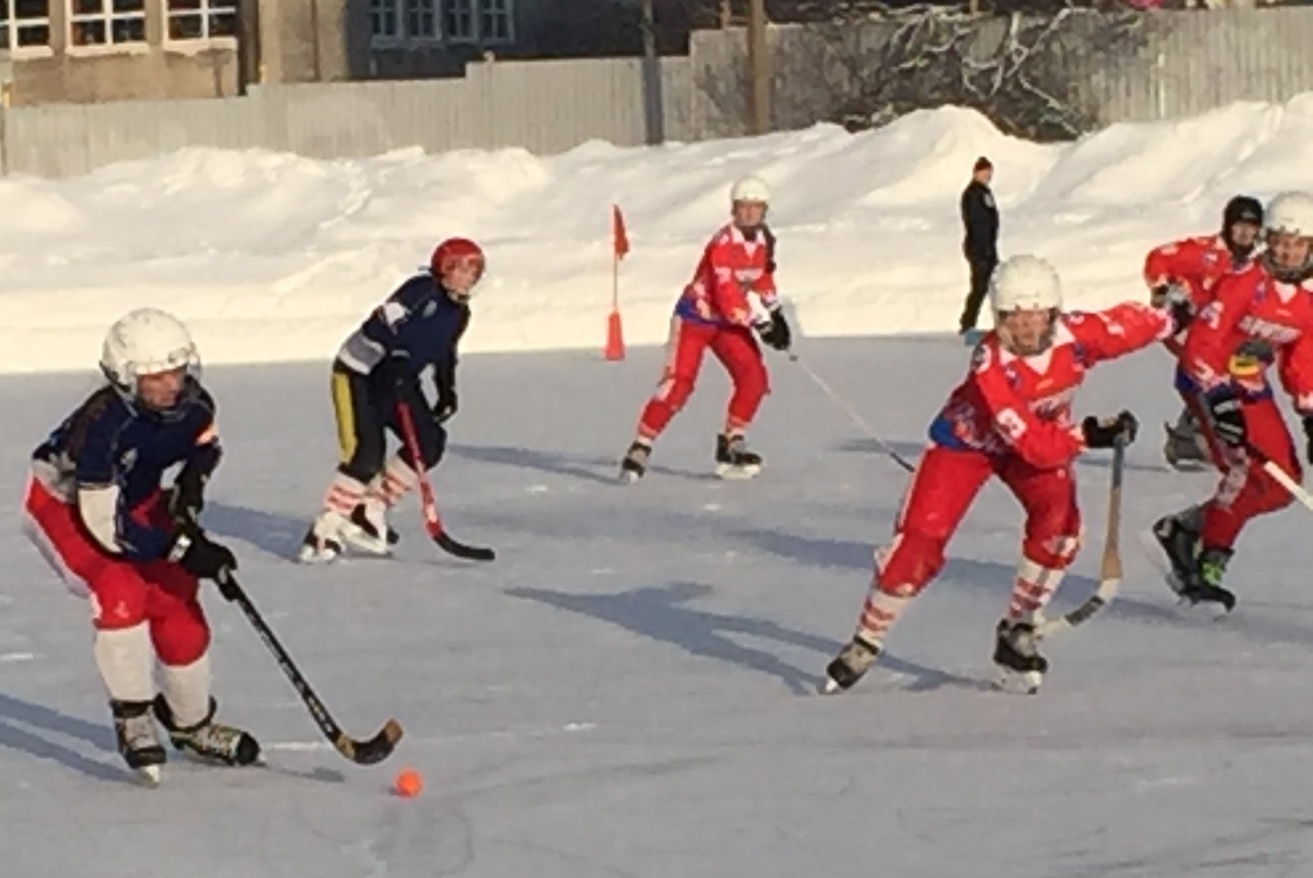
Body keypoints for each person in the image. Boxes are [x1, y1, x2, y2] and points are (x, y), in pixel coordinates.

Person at [823, 255, 1177, 695]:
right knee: (917, 546)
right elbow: (1035, 446)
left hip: (1038, 443)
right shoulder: (991, 364)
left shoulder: (1076, 335)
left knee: (1061, 530)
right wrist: (1086, 434)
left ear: (1054, 312)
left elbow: (1125, 327)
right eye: (1015, 318)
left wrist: (1171, 316)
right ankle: (867, 639)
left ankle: (1018, 630)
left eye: (1036, 315)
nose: (1027, 328)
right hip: (967, 446)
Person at [21, 308, 257, 782]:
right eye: (157, 376)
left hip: (134, 495)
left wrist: (191, 486)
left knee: (177, 599)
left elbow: (205, 444)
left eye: (178, 368)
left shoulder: (195, 403)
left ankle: (191, 724)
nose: (173, 384)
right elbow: (107, 527)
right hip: (67, 503)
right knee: (121, 588)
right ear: (126, 379)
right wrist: (181, 548)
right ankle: (133, 715)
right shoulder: (102, 429)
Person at [1153, 191, 1313, 612]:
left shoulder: (1306, 300)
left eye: (1298, 244)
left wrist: (1312, 413)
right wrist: (1220, 400)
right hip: (1208, 380)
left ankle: (1187, 528)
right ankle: (1211, 562)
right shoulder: (1245, 281)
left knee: (1281, 484)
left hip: (1250, 384)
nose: (1287, 251)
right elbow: (1202, 345)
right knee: (1248, 468)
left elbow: (1303, 362)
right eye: (1280, 240)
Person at [299, 237, 484, 563]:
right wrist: (397, 354)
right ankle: (324, 530)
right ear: (444, 268)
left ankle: (371, 508)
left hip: (396, 379)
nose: (469, 277)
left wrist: (446, 388)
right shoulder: (420, 290)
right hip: (360, 372)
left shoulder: (459, 313)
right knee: (366, 453)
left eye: (475, 270)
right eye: (463, 269)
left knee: (430, 442)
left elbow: (445, 352)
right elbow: (384, 320)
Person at [619, 175, 792, 482]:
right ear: (733, 210)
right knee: (679, 384)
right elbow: (727, 294)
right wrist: (759, 323)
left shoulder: (765, 241)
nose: (750, 214)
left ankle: (732, 442)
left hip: (727, 323)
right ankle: (641, 444)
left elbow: (760, 277)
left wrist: (775, 312)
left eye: (756, 208)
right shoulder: (723, 244)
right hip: (696, 318)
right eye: (743, 208)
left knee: (753, 377)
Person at [1145, 195, 1264, 469]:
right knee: (1213, 368)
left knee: (1244, 369)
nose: (1245, 232)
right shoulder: (1206, 251)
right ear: (1228, 225)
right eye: (1239, 225)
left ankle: (1199, 431)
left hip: (1223, 331)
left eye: (1252, 226)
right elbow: (1159, 257)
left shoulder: (1254, 262)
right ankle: (1194, 436)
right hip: (1187, 324)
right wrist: (1163, 289)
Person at [958, 156, 999, 345]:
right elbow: (978, 223)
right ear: (977, 172)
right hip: (979, 248)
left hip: (987, 247)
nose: (988, 175)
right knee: (980, 286)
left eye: (990, 172)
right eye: (985, 172)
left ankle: (999, 321)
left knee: (993, 285)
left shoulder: (984, 192)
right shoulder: (974, 193)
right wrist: (983, 248)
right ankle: (968, 324)